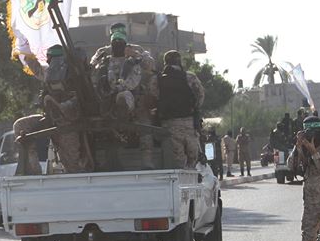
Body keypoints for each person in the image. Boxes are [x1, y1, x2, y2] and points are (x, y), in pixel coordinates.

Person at [14, 44, 91, 175]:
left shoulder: (77, 76)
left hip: (69, 122)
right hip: (55, 120)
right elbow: (35, 66)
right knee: (21, 126)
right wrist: (25, 48)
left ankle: (35, 171)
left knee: (72, 166)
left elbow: (34, 66)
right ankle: (34, 172)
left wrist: (24, 49)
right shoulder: (50, 73)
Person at [90, 23, 157, 167]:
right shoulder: (103, 52)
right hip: (108, 97)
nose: (118, 43)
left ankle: (147, 161)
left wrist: (135, 55)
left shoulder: (136, 49)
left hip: (136, 97)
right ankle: (109, 162)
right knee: (107, 129)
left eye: (120, 38)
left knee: (145, 127)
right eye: (115, 38)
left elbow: (151, 66)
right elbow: (91, 69)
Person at [157, 50, 204, 168]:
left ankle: (181, 173)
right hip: (188, 122)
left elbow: (153, 98)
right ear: (179, 62)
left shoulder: (158, 79)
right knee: (193, 156)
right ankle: (191, 174)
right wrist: (194, 109)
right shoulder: (189, 77)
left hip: (168, 124)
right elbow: (200, 95)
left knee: (177, 158)